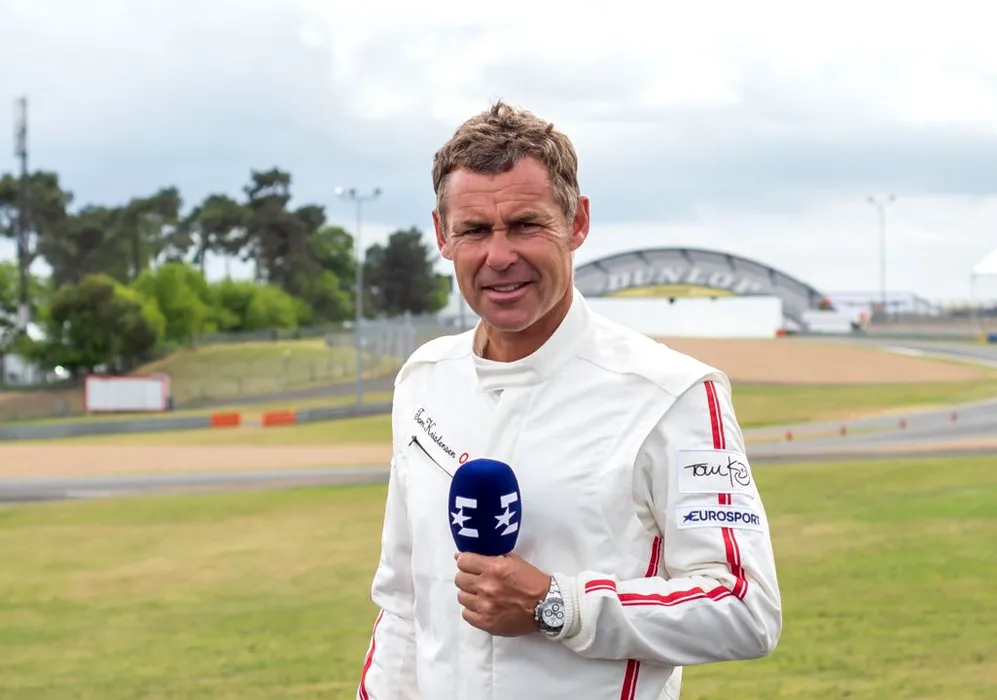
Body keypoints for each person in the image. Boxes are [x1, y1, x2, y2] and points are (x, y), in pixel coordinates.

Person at [356, 101, 782, 700]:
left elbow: (745, 606)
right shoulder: (424, 380)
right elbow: (405, 605)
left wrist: (558, 605)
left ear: (577, 222)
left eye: (525, 224)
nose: (499, 256)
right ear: (442, 236)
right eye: (474, 230)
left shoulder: (672, 393)